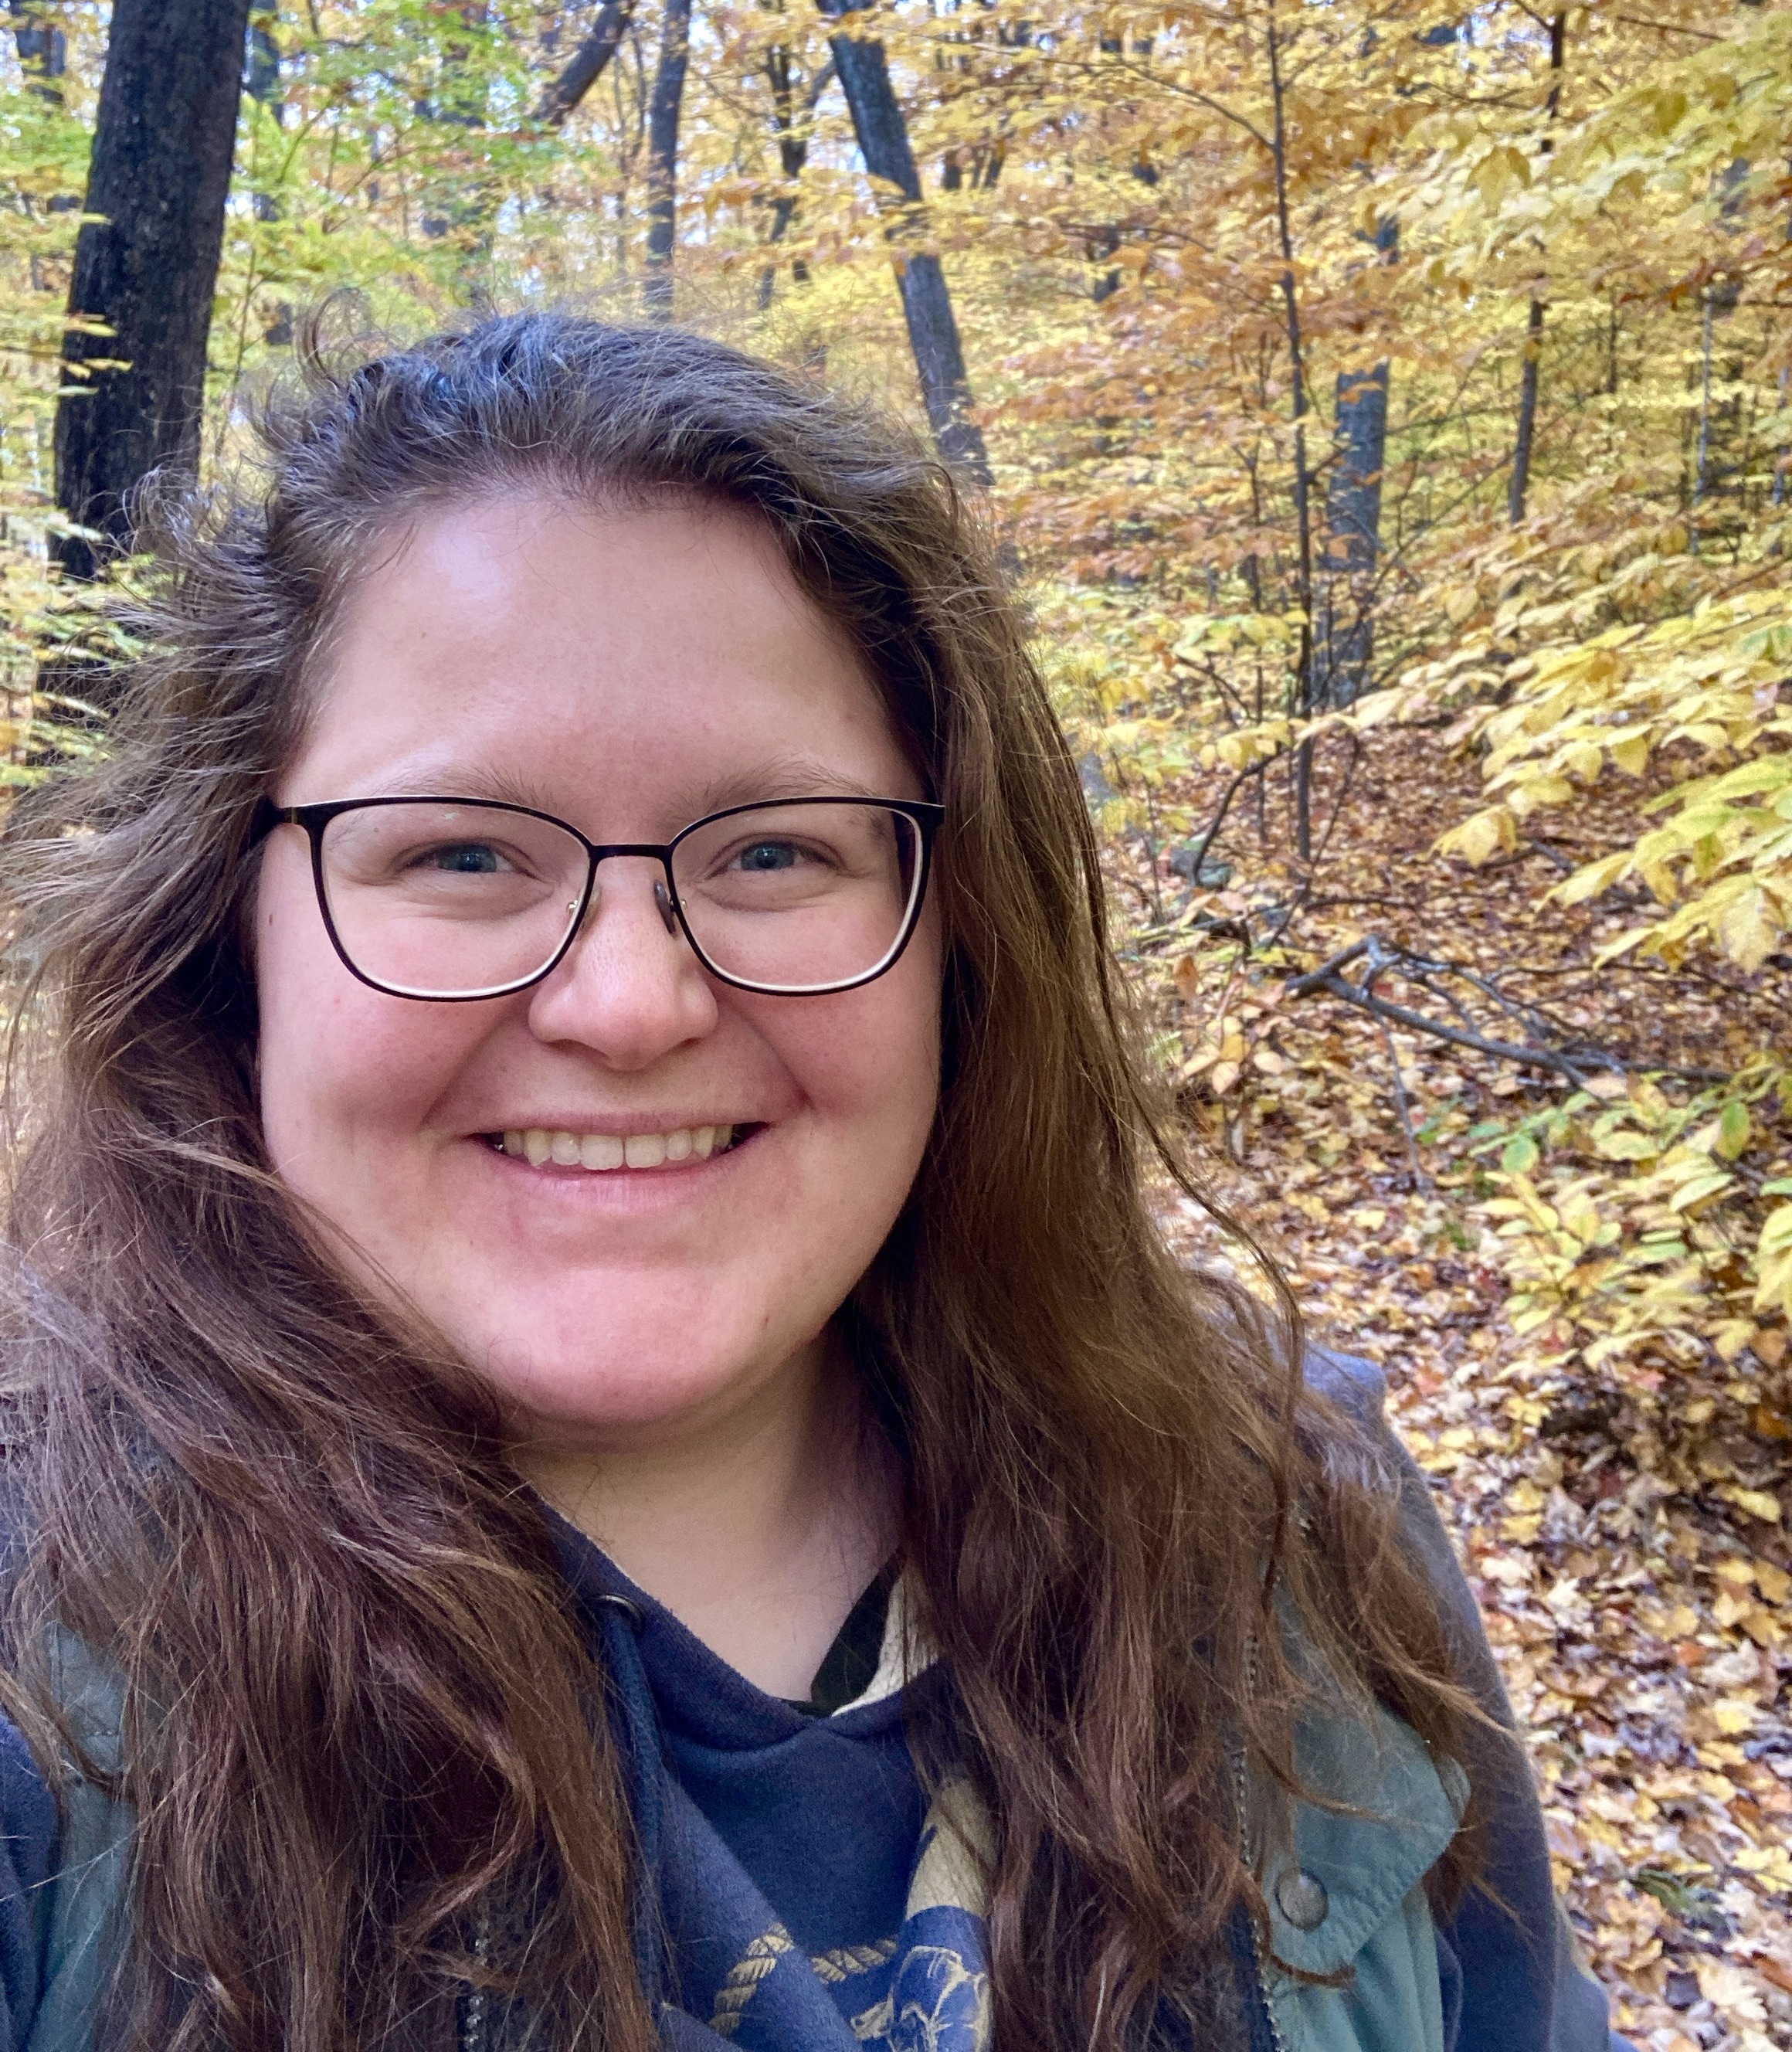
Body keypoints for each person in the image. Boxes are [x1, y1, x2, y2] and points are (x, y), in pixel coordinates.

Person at [0, 313, 1621, 2052]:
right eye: (461, 852)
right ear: (224, 938)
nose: (626, 1003)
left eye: (776, 850)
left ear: (953, 936)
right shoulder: (43, 1676)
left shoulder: (1281, 1524)